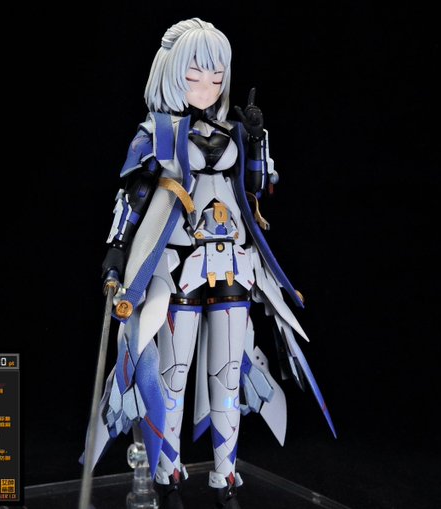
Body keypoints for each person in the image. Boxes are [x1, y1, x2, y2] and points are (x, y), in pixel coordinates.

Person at [83, 17, 335, 509]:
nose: (208, 84)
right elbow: (134, 196)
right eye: (195, 74)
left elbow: (257, 187)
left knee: (228, 374)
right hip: (178, 266)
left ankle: (226, 476)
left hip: (235, 264)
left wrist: (256, 141)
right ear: (172, 74)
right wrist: (117, 249)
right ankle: (167, 473)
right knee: (172, 376)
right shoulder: (157, 132)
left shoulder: (236, 132)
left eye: (217, 75)